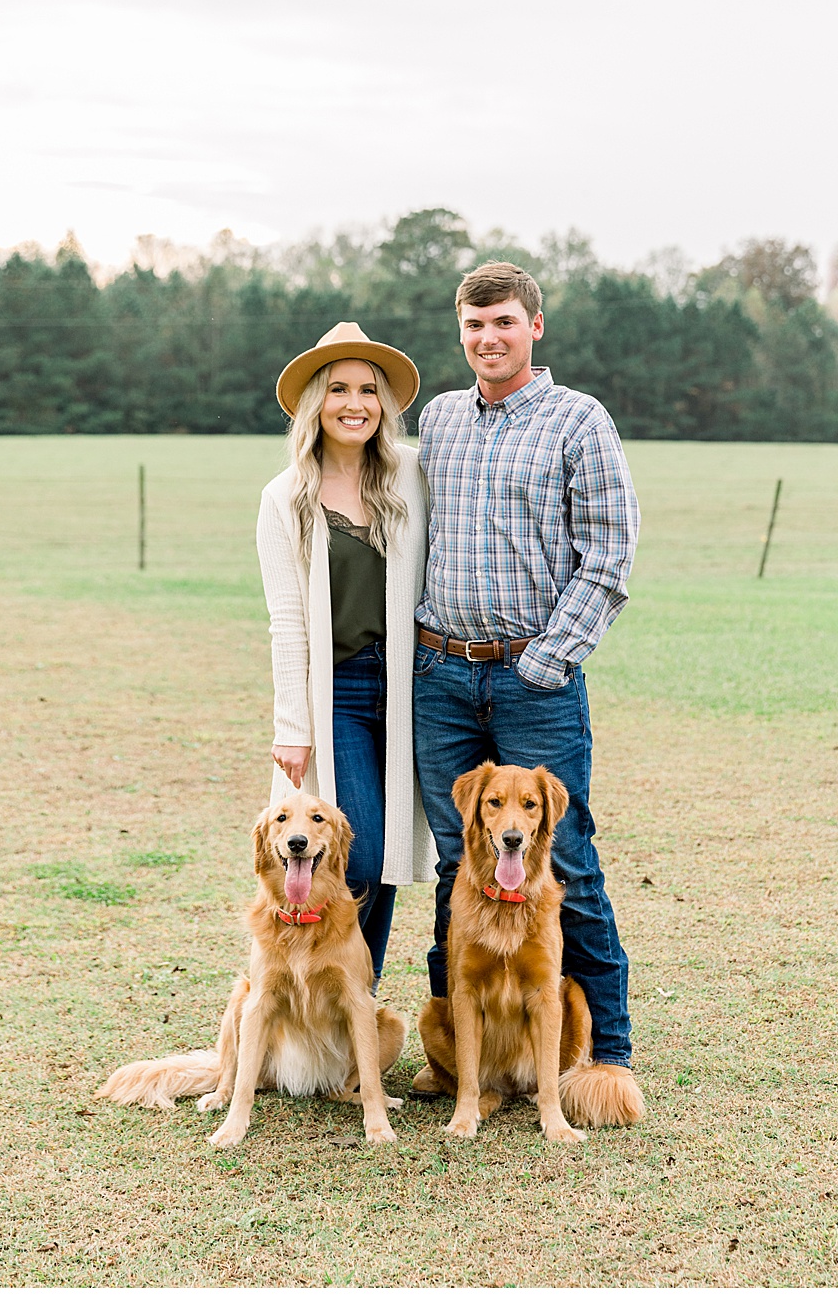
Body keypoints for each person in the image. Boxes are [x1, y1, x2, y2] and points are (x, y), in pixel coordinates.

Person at [408, 260, 645, 1124]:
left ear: (533, 327)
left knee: (567, 861)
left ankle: (604, 1057)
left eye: (503, 322)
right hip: (440, 672)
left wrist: (545, 661)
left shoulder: (578, 420)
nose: (487, 338)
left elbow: (610, 552)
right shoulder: (437, 420)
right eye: (473, 326)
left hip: (531, 677)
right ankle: (464, 1061)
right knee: (456, 863)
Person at [256, 322, 436, 989]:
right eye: (338, 389)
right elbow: (286, 620)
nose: (354, 402)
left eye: (368, 389)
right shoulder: (285, 499)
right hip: (341, 695)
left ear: (385, 404)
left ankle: (358, 1005)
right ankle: (323, 997)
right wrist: (292, 727)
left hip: (418, 687)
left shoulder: (413, 475)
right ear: (315, 404)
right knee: (354, 857)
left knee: (389, 857)